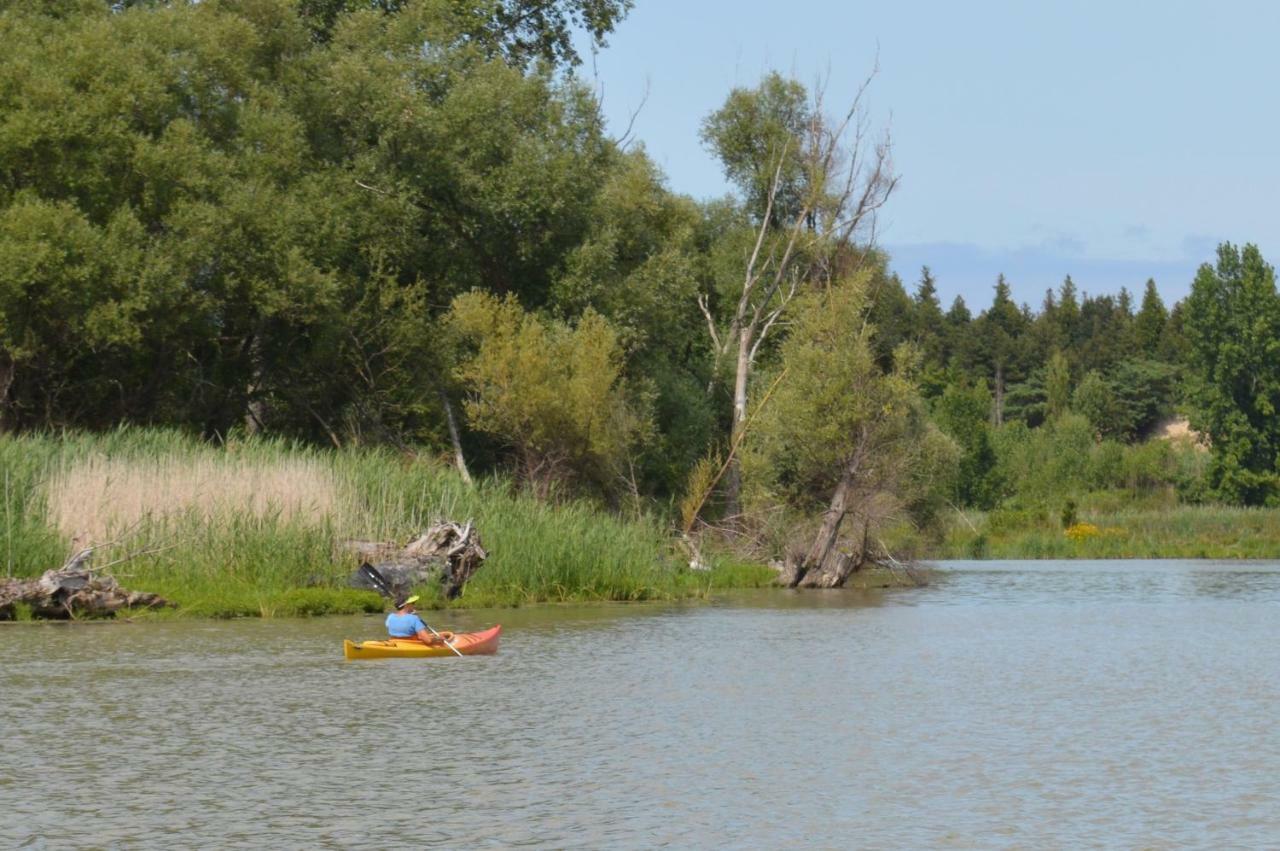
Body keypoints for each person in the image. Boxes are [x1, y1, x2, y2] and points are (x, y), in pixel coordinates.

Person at [385, 595, 450, 645]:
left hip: (396, 643)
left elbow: (397, 626)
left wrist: (409, 615)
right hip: (410, 645)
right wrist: (438, 639)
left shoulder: (390, 617)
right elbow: (428, 641)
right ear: (406, 605)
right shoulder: (414, 618)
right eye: (413, 603)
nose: (414, 605)